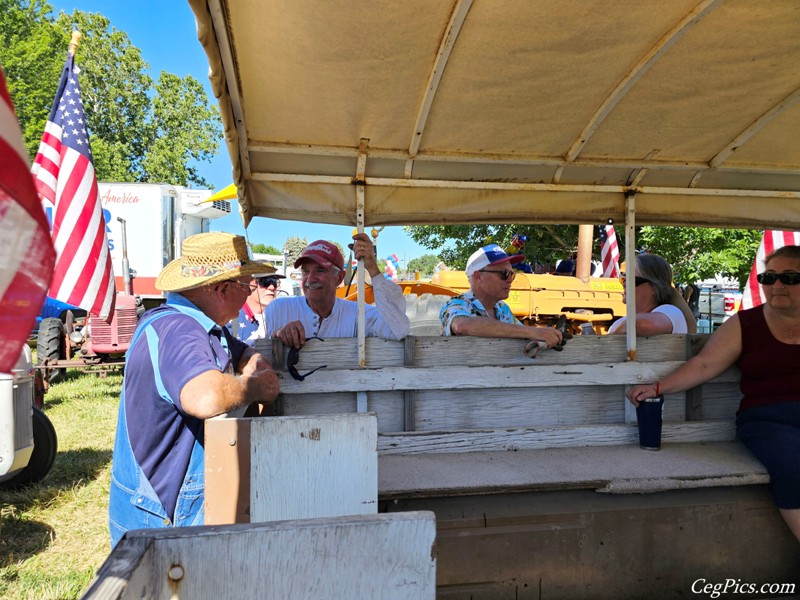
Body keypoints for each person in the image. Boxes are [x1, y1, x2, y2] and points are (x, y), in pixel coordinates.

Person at [108, 232, 280, 547]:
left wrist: (256, 364)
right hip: (160, 517)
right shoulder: (180, 330)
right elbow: (205, 396)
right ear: (221, 289)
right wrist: (253, 386)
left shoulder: (202, 326)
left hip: (160, 503)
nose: (246, 297)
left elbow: (243, 353)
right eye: (245, 286)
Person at [626, 245, 800, 542]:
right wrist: (656, 388)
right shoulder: (745, 324)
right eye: (769, 278)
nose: (777, 285)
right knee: (794, 465)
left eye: (790, 277)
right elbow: (704, 365)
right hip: (769, 422)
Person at [266, 234, 410, 348]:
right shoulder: (278, 309)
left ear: (339, 278)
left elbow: (398, 329)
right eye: (305, 271)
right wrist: (277, 335)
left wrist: (372, 267)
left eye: (320, 270)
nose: (310, 279)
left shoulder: (358, 314)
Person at [439, 244, 563, 348]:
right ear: (478, 277)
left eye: (512, 274)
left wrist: (546, 336)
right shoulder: (455, 304)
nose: (510, 280)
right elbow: (462, 326)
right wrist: (533, 332)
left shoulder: (502, 308)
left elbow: (519, 333)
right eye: (503, 274)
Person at [607, 253, 697, 335]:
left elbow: (636, 325)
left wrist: (610, 340)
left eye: (632, 280)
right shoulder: (624, 320)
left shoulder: (670, 311)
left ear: (655, 286)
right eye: (623, 278)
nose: (624, 284)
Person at [232, 269, 285, 346]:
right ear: (249, 284)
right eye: (265, 282)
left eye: (274, 282)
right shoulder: (232, 317)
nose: (272, 287)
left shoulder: (279, 319)